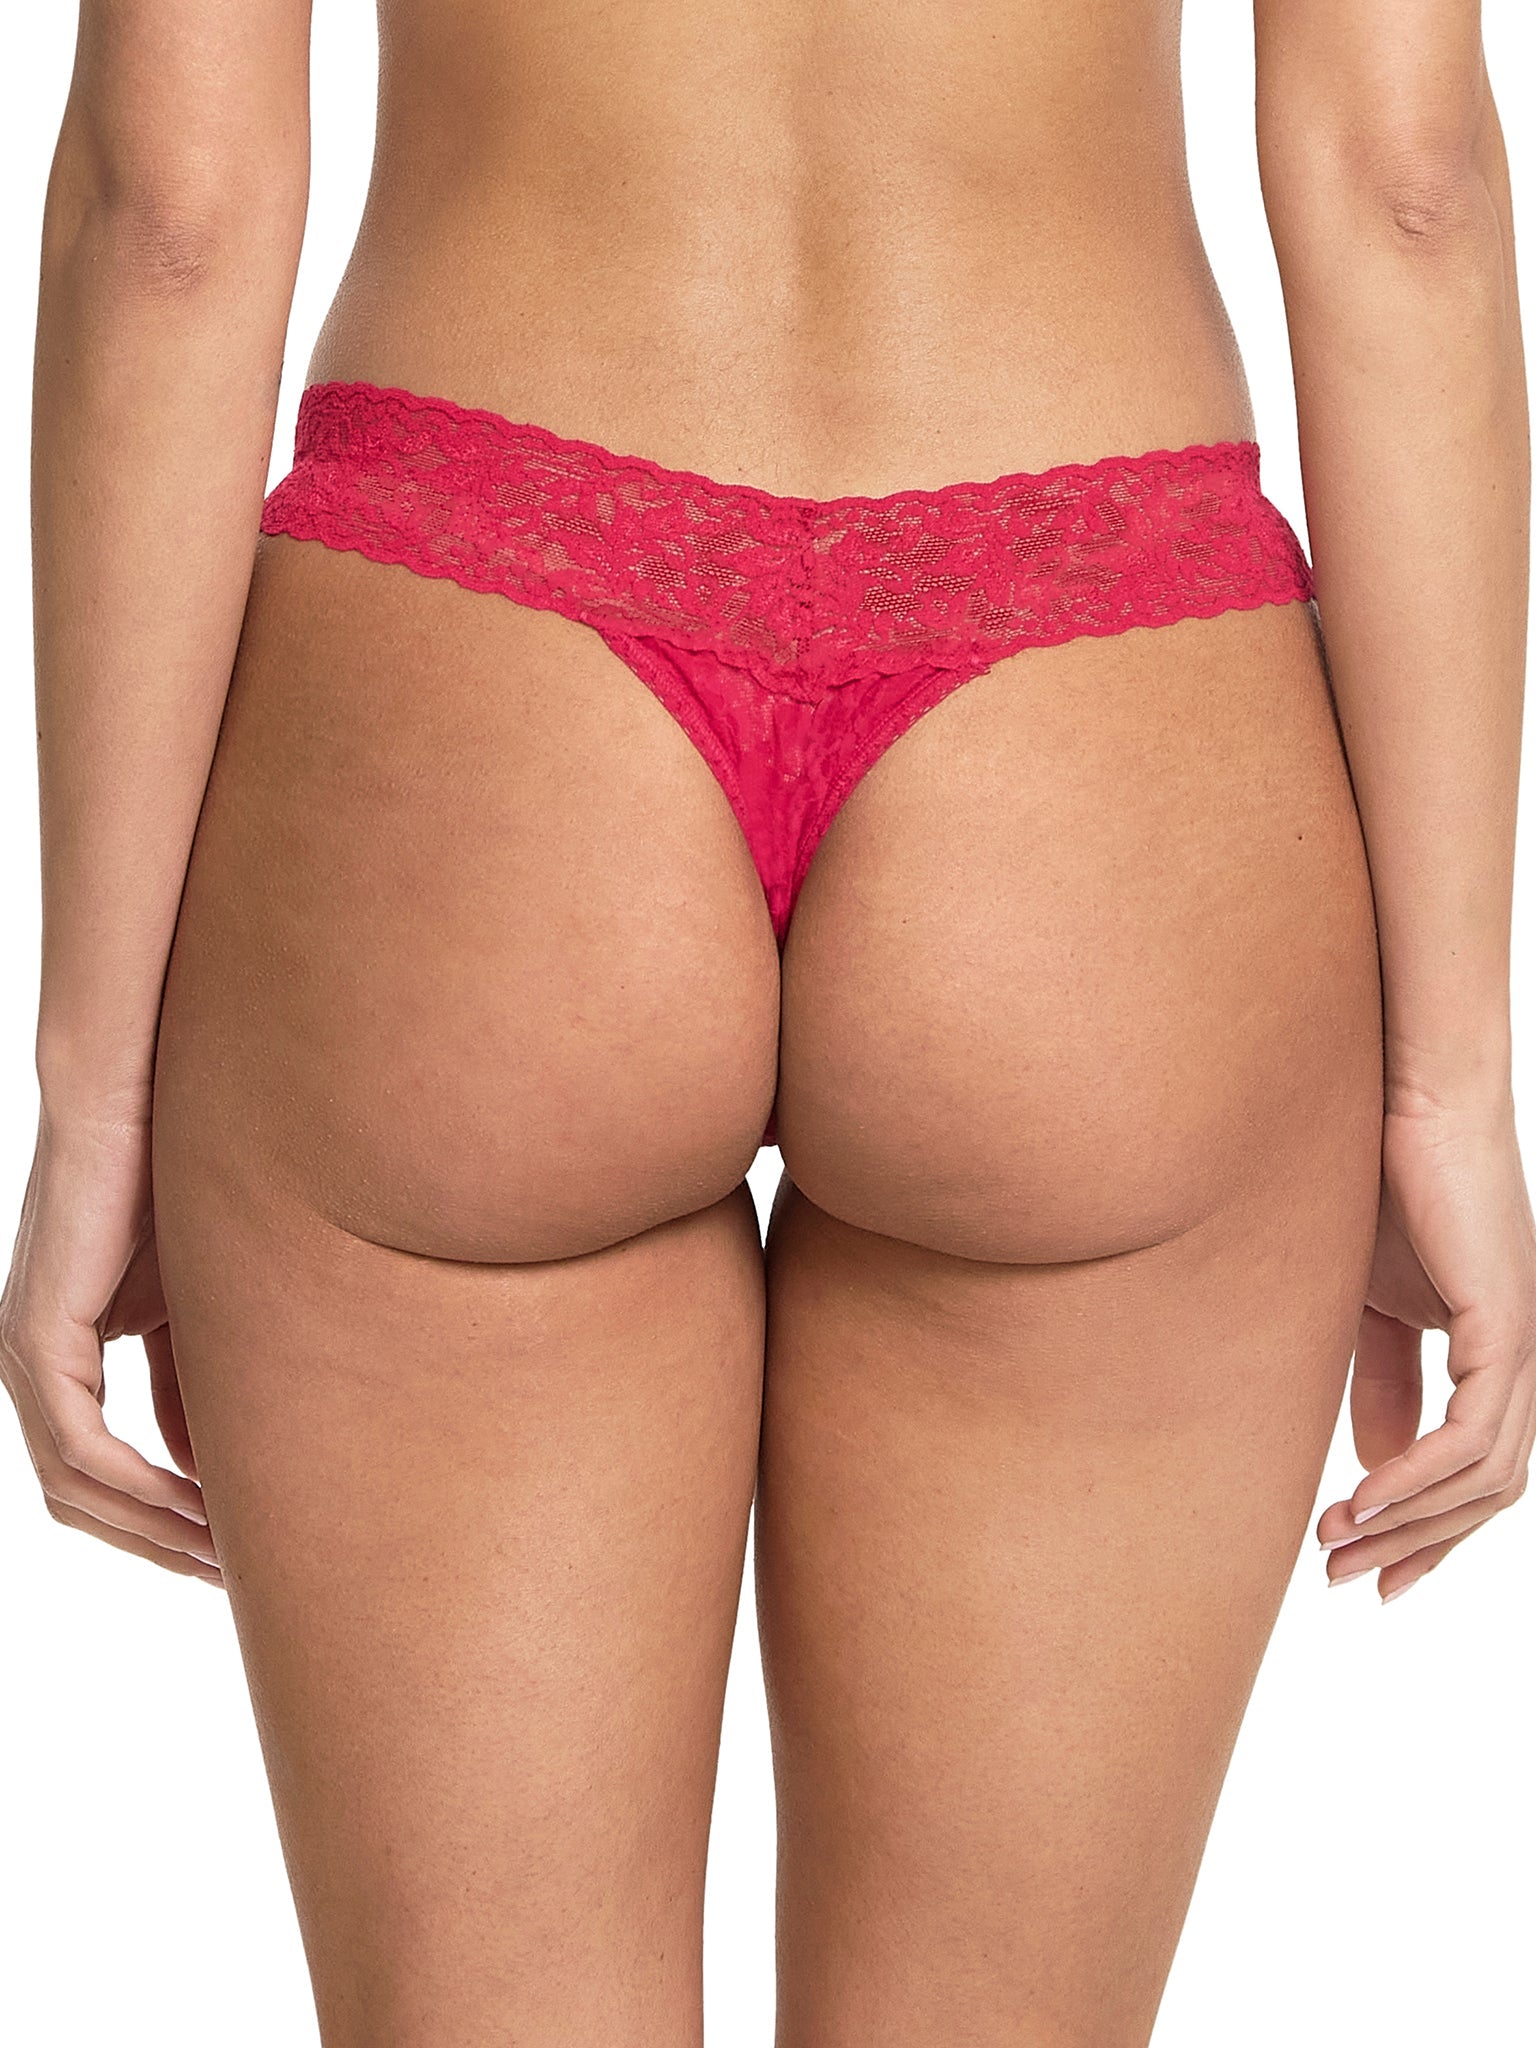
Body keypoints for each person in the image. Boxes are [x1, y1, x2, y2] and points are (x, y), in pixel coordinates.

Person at [2, 1, 1532, 2042]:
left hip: (485, 687)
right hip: (1092, 728)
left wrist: (95, 1087)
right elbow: (1408, 188)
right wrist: (1449, 1077)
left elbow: (168, 215)